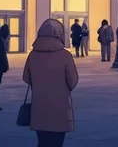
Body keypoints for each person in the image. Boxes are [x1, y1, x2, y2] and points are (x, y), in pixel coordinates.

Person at [22, 19, 79, 147]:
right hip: (60, 107)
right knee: (57, 142)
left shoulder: (33, 55)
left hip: (39, 106)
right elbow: (73, 81)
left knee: (42, 142)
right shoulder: (65, 55)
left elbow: (26, 77)